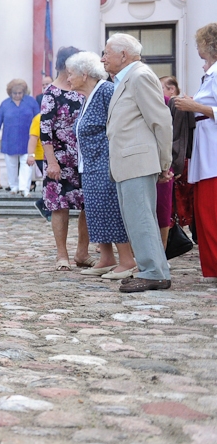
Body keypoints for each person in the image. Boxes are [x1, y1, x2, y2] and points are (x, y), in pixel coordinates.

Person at [102, 33, 174, 293]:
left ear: (123, 55)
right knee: (138, 219)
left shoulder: (140, 76)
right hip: (129, 162)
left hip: (137, 161)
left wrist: (165, 163)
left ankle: (153, 272)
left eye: (106, 53)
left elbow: (161, 121)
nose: (102, 58)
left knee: (140, 218)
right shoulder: (127, 78)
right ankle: (156, 270)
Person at [67, 52, 137, 279]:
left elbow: (123, 121)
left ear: (84, 74)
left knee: (110, 210)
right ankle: (107, 258)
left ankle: (127, 261)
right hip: (90, 165)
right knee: (96, 212)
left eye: (70, 74)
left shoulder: (106, 91)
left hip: (106, 163)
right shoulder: (87, 96)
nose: (68, 79)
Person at [40, 46, 90, 271]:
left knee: (87, 205)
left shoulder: (83, 89)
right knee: (59, 206)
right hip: (59, 158)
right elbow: (45, 131)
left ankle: (82, 252)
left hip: (84, 157)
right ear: (65, 65)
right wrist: (51, 161)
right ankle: (62, 255)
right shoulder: (51, 92)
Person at [173, 23, 217, 278]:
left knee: (210, 211)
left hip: (213, 150)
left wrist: (194, 106)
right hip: (205, 146)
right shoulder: (209, 75)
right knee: (205, 213)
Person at [0, 79, 40, 193]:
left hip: (28, 139)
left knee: (26, 164)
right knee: (11, 165)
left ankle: (24, 188)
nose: (17, 95)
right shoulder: (5, 104)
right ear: (10, 93)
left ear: (24, 92)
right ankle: (14, 186)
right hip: (10, 139)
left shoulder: (31, 102)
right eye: (15, 93)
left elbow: (38, 119)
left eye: (20, 93)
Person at [162, 76, 195, 236]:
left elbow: (178, 136)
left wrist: (177, 161)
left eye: (162, 88)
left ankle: (176, 234)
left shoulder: (175, 104)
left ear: (171, 89)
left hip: (179, 159)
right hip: (183, 158)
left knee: (178, 201)